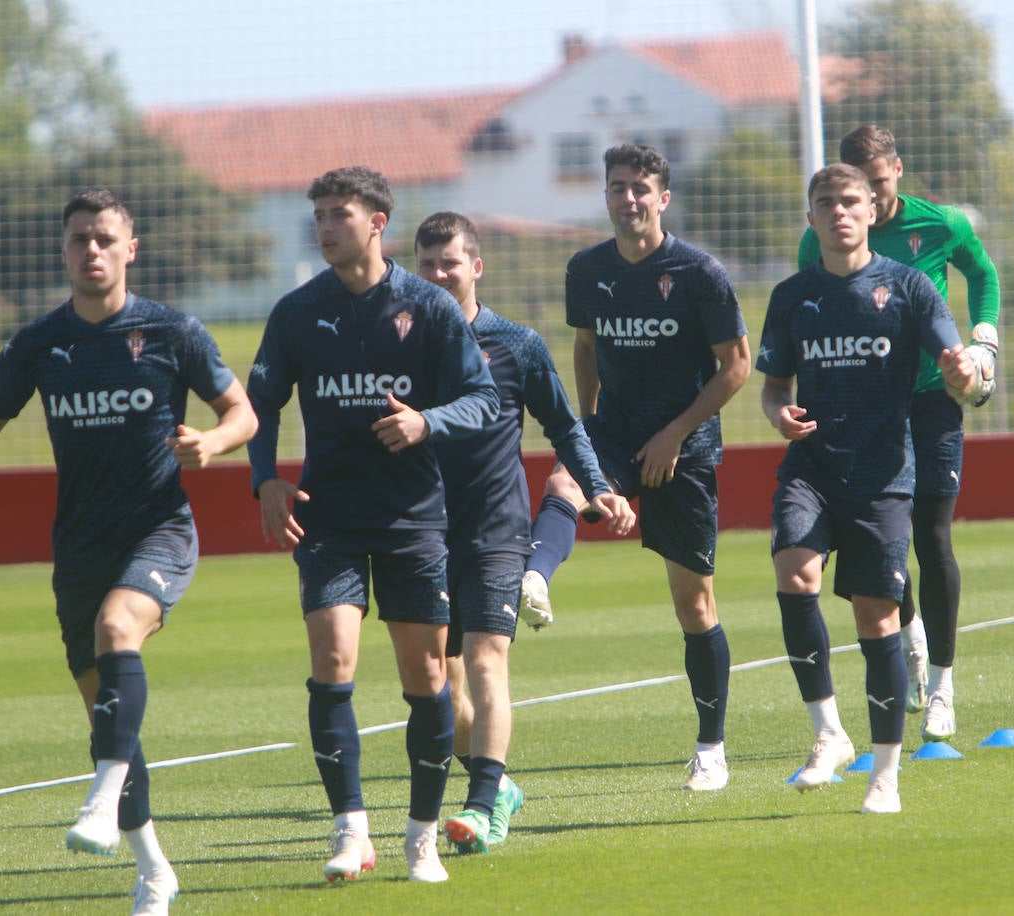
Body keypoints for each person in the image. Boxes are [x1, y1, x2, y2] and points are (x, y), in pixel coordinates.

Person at [0, 188, 258, 914]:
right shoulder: (38, 343)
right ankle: (155, 872)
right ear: (64, 251)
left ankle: (100, 798)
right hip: (78, 546)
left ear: (130, 248)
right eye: (79, 240)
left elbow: (243, 412)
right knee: (108, 713)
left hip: (159, 529)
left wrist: (213, 442)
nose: (92, 250)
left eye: (104, 238)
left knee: (117, 632)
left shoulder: (172, 331)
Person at [247, 167, 499, 884]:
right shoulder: (298, 311)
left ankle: (421, 837)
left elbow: (482, 399)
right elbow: (261, 403)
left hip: (414, 518)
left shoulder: (429, 307)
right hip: (328, 517)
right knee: (332, 660)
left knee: (425, 675)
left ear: (378, 221)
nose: (326, 227)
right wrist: (264, 478)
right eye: (319, 215)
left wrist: (428, 421)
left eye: (339, 214)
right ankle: (350, 830)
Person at [522, 143, 751, 790]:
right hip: (617, 431)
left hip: (686, 446)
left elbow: (736, 365)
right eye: (617, 187)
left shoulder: (700, 272)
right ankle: (535, 581)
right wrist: (587, 438)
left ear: (662, 198)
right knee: (563, 479)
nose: (628, 199)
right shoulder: (586, 269)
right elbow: (587, 348)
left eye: (640, 189)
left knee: (693, 604)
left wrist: (676, 435)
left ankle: (711, 748)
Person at [411, 211, 635, 853]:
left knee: (486, 659)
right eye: (426, 263)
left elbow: (566, 427)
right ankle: (498, 784)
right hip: (423, 532)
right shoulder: (402, 347)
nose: (438, 274)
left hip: (496, 530)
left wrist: (597, 488)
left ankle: (482, 807)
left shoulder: (517, 344)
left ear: (475, 266)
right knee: (439, 682)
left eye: (449, 261)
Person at [761, 164, 980, 813]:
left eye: (849, 200)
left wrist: (963, 373)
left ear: (871, 210)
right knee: (793, 570)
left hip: (885, 475)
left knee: (876, 617)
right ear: (812, 218)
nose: (839, 212)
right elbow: (774, 386)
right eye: (825, 203)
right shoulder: (792, 295)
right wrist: (779, 414)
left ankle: (885, 775)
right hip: (813, 468)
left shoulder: (908, 286)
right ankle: (828, 734)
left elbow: (956, 369)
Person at [797, 124, 1002, 742]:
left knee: (932, 535)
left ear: (898, 172)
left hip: (933, 399)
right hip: (866, 407)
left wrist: (983, 339)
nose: (876, 200)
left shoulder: (939, 224)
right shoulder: (821, 241)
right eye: (865, 188)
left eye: (884, 185)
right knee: (878, 532)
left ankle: (943, 686)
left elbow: (983, 274)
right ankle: (908, 633)